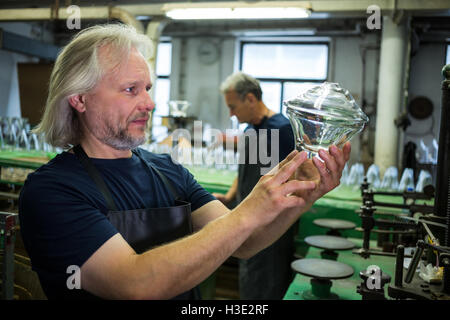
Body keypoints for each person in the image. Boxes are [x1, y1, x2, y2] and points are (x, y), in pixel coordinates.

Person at [18, 24, 351, 300]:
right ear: (79, 99)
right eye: (131, 89)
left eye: (148, 88)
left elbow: (245, 243)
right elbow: (135, 284)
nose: (149, 103)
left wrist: (303, 197)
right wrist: (250, 209)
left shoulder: (168, 171)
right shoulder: (52, 191)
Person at [213, 72, 297, 299]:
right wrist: (230, 196)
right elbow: (245, 171)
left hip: (272, 223)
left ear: (250, 99)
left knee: (268, 281)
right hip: (248, 218)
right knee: (249, 277)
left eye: (233, 107)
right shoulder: (250, 131)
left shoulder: (282, 129)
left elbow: (295, 177)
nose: (231, 113)